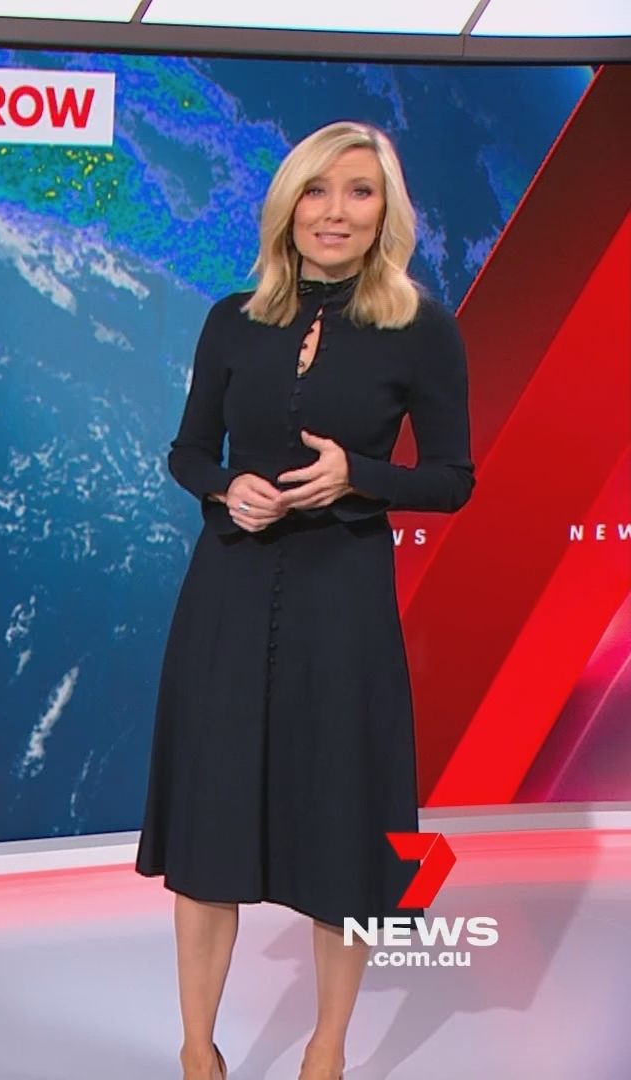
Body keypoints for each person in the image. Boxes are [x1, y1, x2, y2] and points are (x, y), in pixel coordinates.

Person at [135, 120, 476, 1080]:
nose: (335, 212)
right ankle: (198, 1052)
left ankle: (326, 1050)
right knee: (210, 826)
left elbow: (451, 479)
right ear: (288, 207)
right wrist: (223, 487)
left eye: (359, 192)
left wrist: (357, 476)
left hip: (342, 606)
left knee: (341, 827)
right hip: (228, 593)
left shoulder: (421, 328)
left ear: (386, 212)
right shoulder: (232, 318)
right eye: (317, 191)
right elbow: (188, 450)